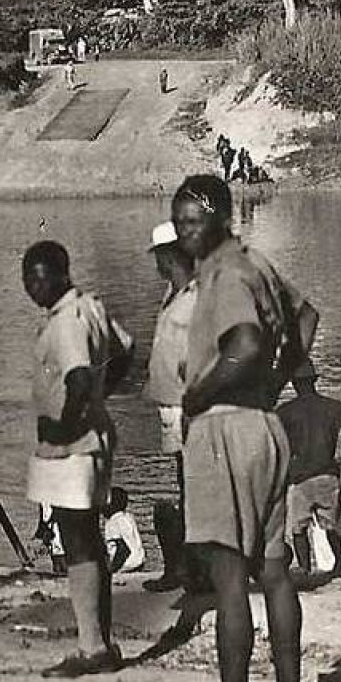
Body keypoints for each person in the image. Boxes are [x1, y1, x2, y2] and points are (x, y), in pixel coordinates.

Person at [173, 172, 319, 682]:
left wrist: (198, 394)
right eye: (180, 221)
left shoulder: (227, 273)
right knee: (275, 571)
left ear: (219, 218)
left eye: (194, 221)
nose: (185, 231)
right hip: (266, 426)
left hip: (226, 428)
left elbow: (246, 342)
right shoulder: (257, 263)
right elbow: (307, 315)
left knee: (230, 580)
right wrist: (280, 380)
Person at [21, 239, 134, 678]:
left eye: (39, 276)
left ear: (61, 273)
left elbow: (80, 376)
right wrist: (101, 399)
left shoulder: (67, 322)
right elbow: (126, 351)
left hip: (73, 444)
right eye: (27, 278)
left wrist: (67, 422)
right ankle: (99, 641)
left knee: (78, 542)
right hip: (92, 437)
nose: (32, 286)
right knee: (85, 536)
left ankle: (92, 648)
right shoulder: (90, 307)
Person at [143, 220, 200, 593]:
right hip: (171, 407)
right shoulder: (173, 293)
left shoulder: (196, 295)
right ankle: (186, 567)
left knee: (194, 484)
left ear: (169, 256)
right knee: (184, 483)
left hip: (188, 406)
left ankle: (194, 568)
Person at [277, 364, 341, 575]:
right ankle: (340, 565)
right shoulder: (333, 407)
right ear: (315, 380)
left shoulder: (285, 412)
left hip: (299, 478)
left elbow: (273, 445)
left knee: (298, 529)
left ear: (294, 384)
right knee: (333, 527)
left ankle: (305, 569)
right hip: (327, 475)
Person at [101, 487, 147, 573]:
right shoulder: (128, 517)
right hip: (138, 560)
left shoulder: (114, 522)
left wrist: (113, 569)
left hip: (126, 564)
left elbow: (122, 548)